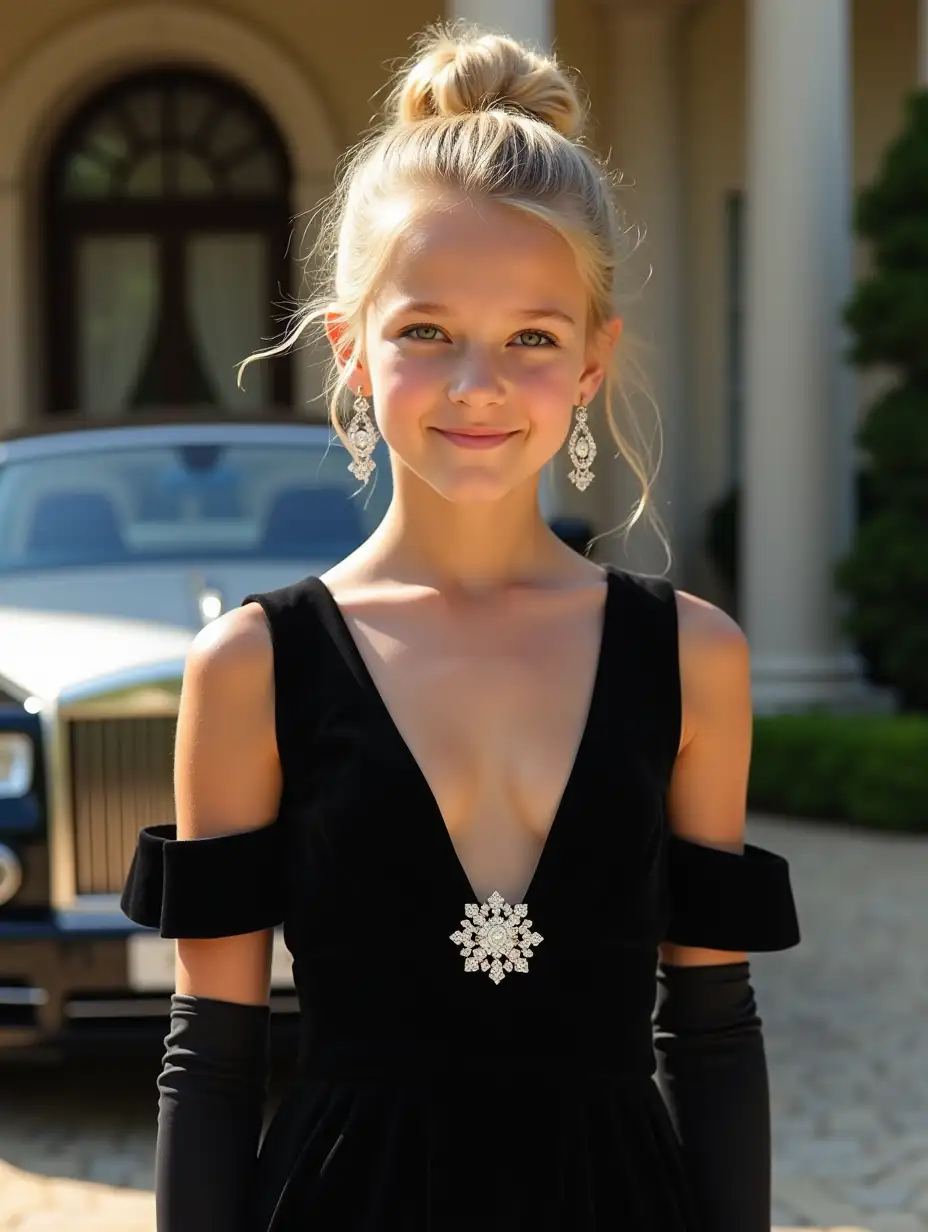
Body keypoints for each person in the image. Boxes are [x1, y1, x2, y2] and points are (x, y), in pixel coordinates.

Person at [121, 23, 801, 1232]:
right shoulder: (251, 667)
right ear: (351, 346)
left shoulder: (694, 656)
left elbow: (713, 1031)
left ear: (592, 364)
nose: (476, 382)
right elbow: (212, 1058)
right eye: (427, 330)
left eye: (531, 337)